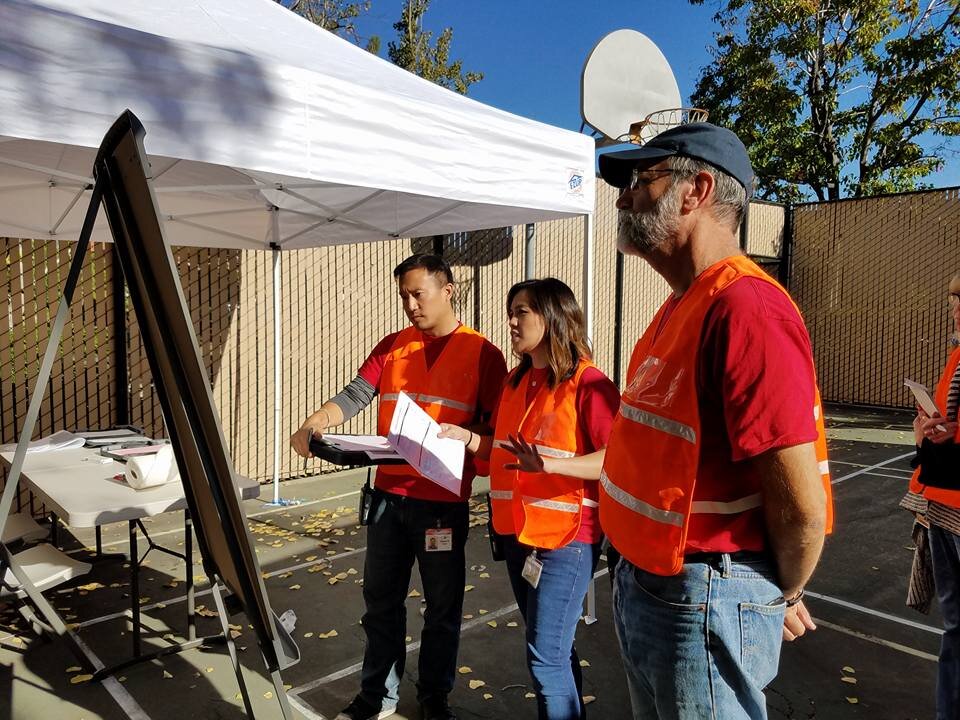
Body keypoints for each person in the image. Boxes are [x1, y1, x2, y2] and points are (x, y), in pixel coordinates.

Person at [510, 123, 834, 720]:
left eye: (641, 179)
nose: (623, 198)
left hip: (703, 593)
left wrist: (776, 593)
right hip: (656, 587)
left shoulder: (747, 307)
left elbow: (801, 508)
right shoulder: (682, 307)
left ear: (696, 191)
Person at [290, 253, 507, 720]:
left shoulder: (485, 355)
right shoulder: (393, 346)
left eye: (418, 294)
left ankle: (433, 699)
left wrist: (469, 441)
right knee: (380, 603)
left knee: (442, 608)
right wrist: (316, 420)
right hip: (390, 500)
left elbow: (494, 433)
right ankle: (377, 696)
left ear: (448, 291)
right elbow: (355, 394)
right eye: (404, 296)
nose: (410, 305)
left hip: (441, 506)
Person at [438, 278, 619, 720]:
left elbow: (618, 460)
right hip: (519, 537)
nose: (512, 322)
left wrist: (551, 466)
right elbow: (503, 451)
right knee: (554, 651)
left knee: (545, 658)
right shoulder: (515, 382)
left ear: (553, 316)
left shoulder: (589, 383)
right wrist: (466, 438)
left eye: (522, 312)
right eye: (511, 312)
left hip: (568, 540)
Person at [902, 272, 960, 719]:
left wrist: (936, 439)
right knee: (955, 627)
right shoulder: (957, 356)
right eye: (953, 299)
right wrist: (933, 432)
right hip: (942, 505)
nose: (955, 309)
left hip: (949, 503)